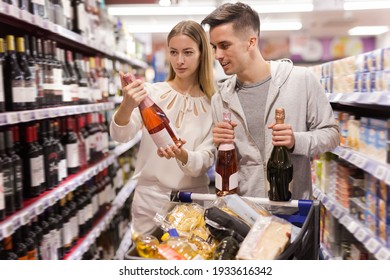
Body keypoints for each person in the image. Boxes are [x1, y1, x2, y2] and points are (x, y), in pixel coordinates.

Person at [201, 2, 339, 200]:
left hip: (293, 208)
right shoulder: (220, 98)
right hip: (246, 212)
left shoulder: (301, 80)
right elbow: (228, 161)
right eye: (214, 47)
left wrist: (295, 141)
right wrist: (219, 145)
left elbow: (332, 135)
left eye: (224, 45)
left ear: (251, 42)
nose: (217, 56)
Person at [109, 20, 216, 234]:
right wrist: (126, 105)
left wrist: (182, 154)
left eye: (188, 52)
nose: (180, 60)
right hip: (150, 201)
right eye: (174, 52)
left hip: (191, 203)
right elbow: (121, 135)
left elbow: (206, 159)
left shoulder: (214, 103)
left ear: (202, 54)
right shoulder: (151, 93)